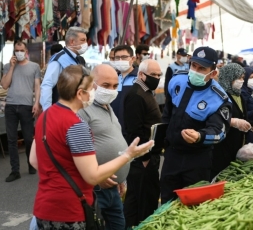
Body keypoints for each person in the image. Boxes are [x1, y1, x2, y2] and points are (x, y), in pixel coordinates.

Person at [29, 64, 154, 229]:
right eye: (91, 88)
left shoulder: (45, 116)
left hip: (45, 207)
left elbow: (34, 161)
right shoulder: (76, 125)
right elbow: (93, 177)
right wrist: (128, 155)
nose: (94, 93)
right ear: (80, 93)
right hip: (70, 210)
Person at [160, 46, 232, 204]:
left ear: (213, 73)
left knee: (194, 205)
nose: (195, 71)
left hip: (197, 160)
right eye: (193, 65)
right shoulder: (176, 81)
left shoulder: (219, 99)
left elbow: (219, 132)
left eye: (202, 68)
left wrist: (200, 136)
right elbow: (167, 116)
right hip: (172, 155)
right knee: (166, 202)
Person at [77, 64, 129, 230]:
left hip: (113, 186)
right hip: (96, 188)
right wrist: (98, 176)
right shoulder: (83, 109)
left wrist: (121, 178)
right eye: (106, 85)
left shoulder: (108, 107)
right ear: (92, 84)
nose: (111, 90)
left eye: (115, 86)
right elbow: (76, 149)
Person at [123, 59, 163, 227]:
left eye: (158, 75)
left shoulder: (146, 92)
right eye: (152, 74)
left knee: (142, 199)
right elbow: (135, 131)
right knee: (142, 202)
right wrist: (144, 158)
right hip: (142, 160)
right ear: (141, 74)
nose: (156, 78)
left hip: (149, 156)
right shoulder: (136, 95)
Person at [211, 63, 253, 179]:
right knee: (221, 175)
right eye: (238, 78)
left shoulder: (239, 95)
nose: (241, 81)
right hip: (222, 146)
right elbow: (214, 117)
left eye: (242, 77)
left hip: (237, 144)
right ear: (229, 77)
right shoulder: (219, 96)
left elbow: (243, 117)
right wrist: (233, 122)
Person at [1, 41, 41, 182]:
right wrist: (11, 67)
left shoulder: (34, 66)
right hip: (11, 105)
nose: (19, 52)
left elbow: (37, 86)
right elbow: (5, 85)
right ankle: (15, 170)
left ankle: (31, 165)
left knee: (28, 138)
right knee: (11, 140)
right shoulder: (7, 66)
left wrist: (36, 103)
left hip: (26, 106)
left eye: (21, 50)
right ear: (13, 51)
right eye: (16, 50)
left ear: (26, 51)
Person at [40, 26, 88, 111]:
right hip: (62, 110)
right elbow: (47, 85)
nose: (85, 43)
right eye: (82, 40)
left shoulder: (80, 60)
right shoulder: (58, 59)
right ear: (72, 41)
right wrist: (47, 111)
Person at [110, 45, 138, 137]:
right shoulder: (112, 79)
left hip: (134, 131)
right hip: (114, 131)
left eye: (124, 57)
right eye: (117, 58)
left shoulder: (140, 78)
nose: (120, 60)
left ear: (132, 59)